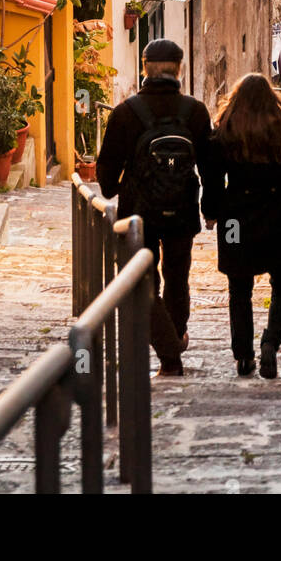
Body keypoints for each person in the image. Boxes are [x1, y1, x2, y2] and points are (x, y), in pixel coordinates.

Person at [96, 38, 211, 377]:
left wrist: (121, 187)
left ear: (144, 68)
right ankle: (174, 339)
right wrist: (212, 206)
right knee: (178, 278)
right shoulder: (195, 111)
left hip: (138, 214)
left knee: (142, 282)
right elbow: (210, 165)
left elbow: (105, 175)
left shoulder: (126, 113)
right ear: (180, 69)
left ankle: (169, 354)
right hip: (183, 210)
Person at [200, 72, 281, 380]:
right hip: (278, 211)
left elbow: (212, 179)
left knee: (239, 286)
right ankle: (271, 342)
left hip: (236, 216)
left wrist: (210, 212)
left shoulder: (224, 132)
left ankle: (243, 357)